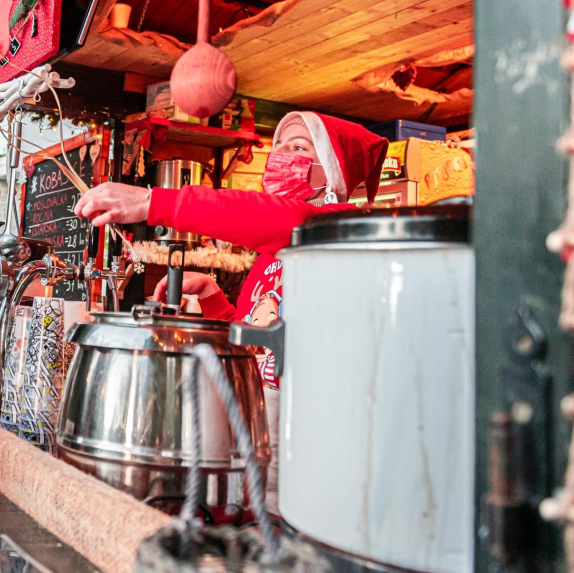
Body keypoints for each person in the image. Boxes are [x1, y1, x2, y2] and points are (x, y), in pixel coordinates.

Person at [73, 111, 387, 511]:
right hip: (258, 452)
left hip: (314, 462)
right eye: (279, 148)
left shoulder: (335, 229)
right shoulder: (270, 255)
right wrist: (212, 297)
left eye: (298, 148)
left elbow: (280, 217)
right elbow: (250, 341)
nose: (281, 158)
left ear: (333, 172)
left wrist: (153, 201)